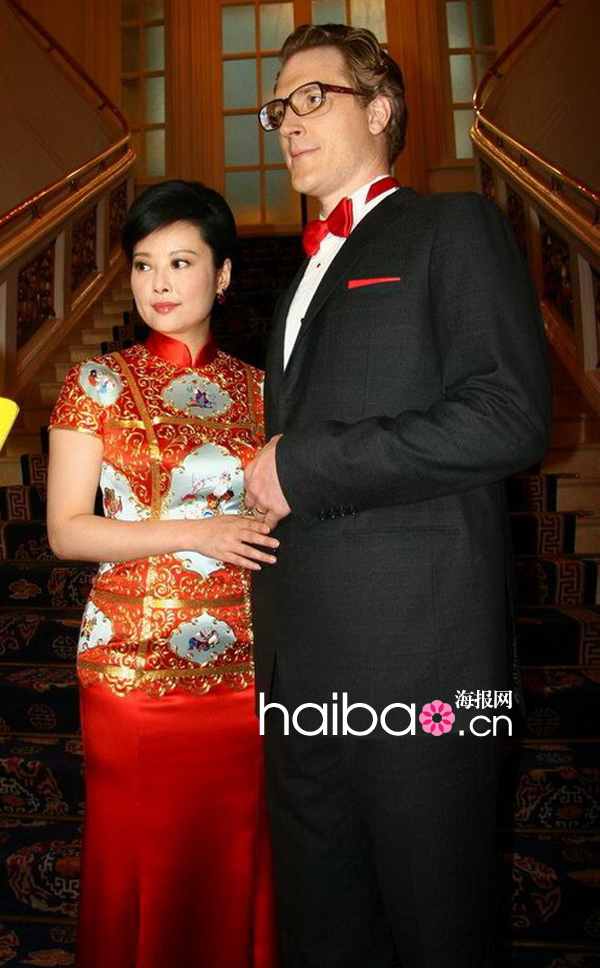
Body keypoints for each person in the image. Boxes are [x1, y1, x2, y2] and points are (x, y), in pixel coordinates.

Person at [244, 23, 552, 968]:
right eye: (278, 107)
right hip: (299, 672)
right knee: (323, 932)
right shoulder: (297, 276)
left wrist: (304, 465)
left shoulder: (453, 226)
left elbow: (508, 416)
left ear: (380, 109)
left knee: (434, 930)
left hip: (422, 666)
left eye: (313, 98)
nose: (289, 122)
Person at [47, 180, 281, 968]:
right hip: (131, 668)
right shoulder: (96, 385)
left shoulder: (263, 391)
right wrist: (199, 530)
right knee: (137, 864)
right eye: (144, 264)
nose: (159, 283)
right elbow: (67, 531)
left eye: (181, 262)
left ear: (223, 275)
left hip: (244, 667)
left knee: (234, 860)